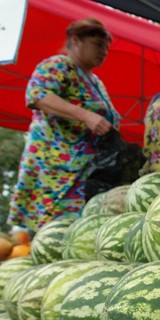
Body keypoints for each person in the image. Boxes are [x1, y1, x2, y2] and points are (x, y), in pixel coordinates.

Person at [8, 17, 121, 232]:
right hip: (55, 170)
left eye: (107, 47)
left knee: (77, 231)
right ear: (76, 40)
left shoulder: (96, 82)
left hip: (86, 172)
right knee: (53, 230)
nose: (104, 51)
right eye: (98, 45)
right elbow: (38, 95)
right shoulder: (59, 65)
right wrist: (85, 116)